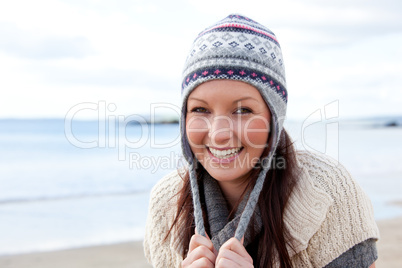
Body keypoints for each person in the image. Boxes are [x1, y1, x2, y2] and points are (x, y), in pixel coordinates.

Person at [144, 14, 379, 268]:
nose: (219, 133)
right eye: (201, 110)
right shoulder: (166, 204)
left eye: (243, 110)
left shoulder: (327, 190)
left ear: (274, 118)